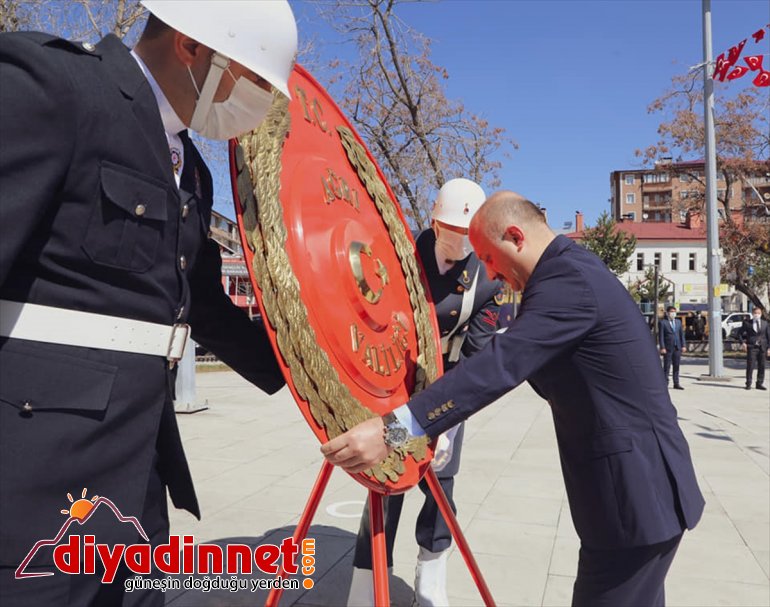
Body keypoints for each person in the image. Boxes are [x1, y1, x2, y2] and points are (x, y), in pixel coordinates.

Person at [0, 2, 297, 605]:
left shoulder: (192, 171)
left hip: (136, 464)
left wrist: (312, 374)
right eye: (256, 80)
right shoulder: (57, 86)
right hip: (39, 462)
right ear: (191, 46)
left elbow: (205, 303)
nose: (260, 103)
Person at [321, 191, 705, 607]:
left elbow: (500, 365)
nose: (490, 274)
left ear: (516, 237)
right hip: (635, 499)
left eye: (487, 258)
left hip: (634, 499)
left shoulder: (567, 282)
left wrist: (393, 429)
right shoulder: (568, 272)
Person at [347, 179, 504, 607]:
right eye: (456, 231)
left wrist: (448, 425)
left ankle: (431, 573)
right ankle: (368, 575)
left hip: (447, 385)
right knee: (385, 481)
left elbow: (474, 359)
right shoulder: (398, 255)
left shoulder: (487, 282)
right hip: (393, 385)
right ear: (436, 223)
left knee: (441, 484)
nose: (465, 243)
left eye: (473, 234)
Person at [738, 307, 770, 390]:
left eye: (758, 313)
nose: (757, 315)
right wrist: (742, 343)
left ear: (761, 314)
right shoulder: (747, 323)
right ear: (752, 313)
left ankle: (759, 383)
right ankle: (748, 383)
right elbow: (739, 334)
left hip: (762, 348)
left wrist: (769, 348)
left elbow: (768, 336)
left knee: (762, 366)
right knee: (750, 366)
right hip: (752, 347)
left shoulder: (765, 323)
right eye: (755, 313)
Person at [658, 306, 686, 390]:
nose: (673, 313)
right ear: (667, 313)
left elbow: (681, 335)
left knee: (676, 366)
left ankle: (676, 383)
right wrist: (662, 347)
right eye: (671, 312)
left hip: (677, 347)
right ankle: (665, 383)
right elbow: (661, 336)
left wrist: (683, 345)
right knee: (667, 366)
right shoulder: (663, 323)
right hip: (668, 347)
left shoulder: (678, 322)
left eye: (674, 311)